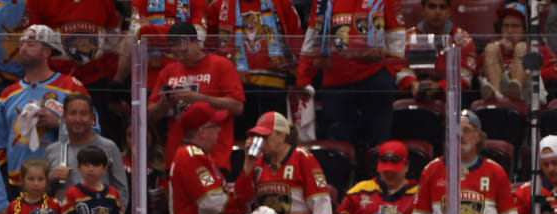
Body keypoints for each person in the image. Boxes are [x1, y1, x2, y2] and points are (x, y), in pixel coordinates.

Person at [296, 0, 409, 150]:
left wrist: (390, 71)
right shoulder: (322, 2)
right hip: (336, 84)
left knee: (378, 144)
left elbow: (397, 40)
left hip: (374, 82)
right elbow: (310, 40)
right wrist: (303, 79)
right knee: (339, 147)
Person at [234, 112, 334, 214]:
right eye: (257, 136)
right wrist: (247, 164)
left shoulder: (303, 158)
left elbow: (321, 203)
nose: (261, 141)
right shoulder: (257, 163)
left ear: (282, 135)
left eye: (265, 136)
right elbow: (242, 198)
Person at [0, 25, 89, 188]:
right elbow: (1, 145)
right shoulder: (7, 94)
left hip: (59, 181)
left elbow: (94, 131)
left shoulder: (71, 87)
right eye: (22, 44)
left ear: (47, 51)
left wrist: (59, 123)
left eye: (31, 44)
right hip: (17, 183)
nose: (23, 48)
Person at [148, 21, 245, 174]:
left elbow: (237, 106)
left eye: (185, 52)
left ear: (197, 43)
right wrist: (164, 104)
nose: (180, 57)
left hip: (214, 156)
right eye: (175, 53)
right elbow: (150, 112)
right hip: (177, 156)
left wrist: (199, 99)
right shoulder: (169, 71)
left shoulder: (221, 65)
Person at [24, 0, 123, 141]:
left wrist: (105, 73)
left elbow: (112, 38)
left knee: (96, 139)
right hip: (54, 84)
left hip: (94, 84)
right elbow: (31, 39)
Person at [204, 0, 303, 138]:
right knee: (240, 139)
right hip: (236, 88)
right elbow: (209, 44)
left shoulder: (281, 2)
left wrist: (295, 78)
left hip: (274, 85)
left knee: (274, 140)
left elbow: (296, 36)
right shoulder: (219, 5)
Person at [165, 101, 241, 214]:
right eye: (215, 125)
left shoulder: (198, 155)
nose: (219, 130)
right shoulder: (191, 156)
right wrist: (238, 200)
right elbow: (212, 203)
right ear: (201, 131)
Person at [45, 93, 128, 208]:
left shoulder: (109, 147)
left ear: (92, 118)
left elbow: (122, 190)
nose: (78, 119)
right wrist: (52, 180)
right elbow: (40, 194)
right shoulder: (51, 150)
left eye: (83, 114)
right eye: (73, 113)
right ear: (64, 117)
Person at [483, 3, 557, 101]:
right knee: (490, 48)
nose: (509, 31)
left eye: (515, 26)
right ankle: (496, 95)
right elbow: (478, 72)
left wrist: (525, 72)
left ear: (525, 30)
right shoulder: (495, 49)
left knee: (522, 47)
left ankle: (515, 89)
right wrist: (498, 47)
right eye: (506, 26)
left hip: (529, 97)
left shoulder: (539, 49)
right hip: (501, 95)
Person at [405, 0, 478, 98]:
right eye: (432, 6)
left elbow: (465, 77)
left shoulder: (462, 39)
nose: (437, 12)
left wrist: (439, 86)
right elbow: (401, 69)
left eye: (442, 7)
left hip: (450, 96)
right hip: (415, 93)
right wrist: (413, 83)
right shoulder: (408, 38)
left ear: (449, 12)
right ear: (423, 10)